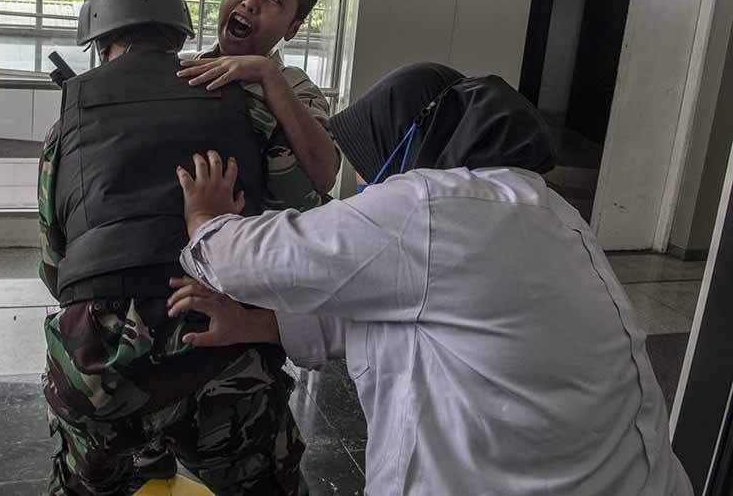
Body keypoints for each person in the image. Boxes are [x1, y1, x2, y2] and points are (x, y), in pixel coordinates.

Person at [168, 63, 694, 495]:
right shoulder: (541, 208)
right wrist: (259, 325)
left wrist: (208, 223)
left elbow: (254, 261)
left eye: (372, 160)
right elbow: (410, 315)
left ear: (412, 144)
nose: (366, 180)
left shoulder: (433, 203)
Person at [37, 0, 308, 496]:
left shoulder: (65, 127)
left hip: (102, 364)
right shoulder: (247, 105)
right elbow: (302, 210)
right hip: (223, 341)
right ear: (179, 28)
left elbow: (56, 266)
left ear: (96, 35)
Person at [178, 0, 339, 208]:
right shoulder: (184, 67)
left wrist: (267, 74)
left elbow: (325, 176)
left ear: (293, 28)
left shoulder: (296, 87)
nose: (251, 2)